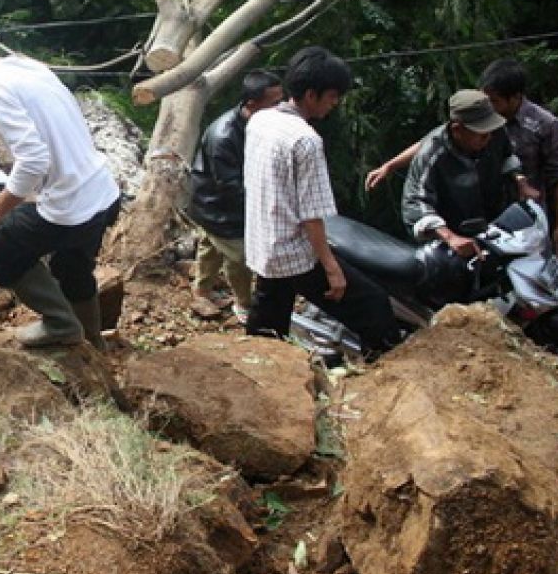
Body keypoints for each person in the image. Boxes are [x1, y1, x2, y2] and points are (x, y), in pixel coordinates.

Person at [0, 23, 121, 349]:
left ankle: (62, 325)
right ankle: (93, 341)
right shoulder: (26, 64)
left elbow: (34, 160)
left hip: (70, 208)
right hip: (103, 192)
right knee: (71, 266)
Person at [244, 46, 399, 354]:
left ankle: (255, 364)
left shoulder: (260, 121)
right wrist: (331, 268)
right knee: (372, 305)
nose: (335, 103)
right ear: (312, 95)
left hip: (264, 244)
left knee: (268, 320)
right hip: (294, 251)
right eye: (332, 96)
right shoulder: (306, 140)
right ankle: (384, 371)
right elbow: (311, 216)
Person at [187, 70, 283, 320]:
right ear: (252, 104)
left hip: (222, 200)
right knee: (239, 255)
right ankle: (244, 303)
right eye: (274, 103)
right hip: (216, 205)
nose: (280, 107)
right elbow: (231, 187)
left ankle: (201, 288)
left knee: (211, 246)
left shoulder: (258, 123)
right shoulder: (224, 136)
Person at [401, 89, 535, 257]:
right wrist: (450, 237)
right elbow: (415, 203)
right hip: (456, 240)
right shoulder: (431, 154)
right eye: (482, 135)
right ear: (457, 130)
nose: (489, 139)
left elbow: (507, 157)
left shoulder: (495, 133)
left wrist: (521, 183)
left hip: (499, 229)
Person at [480, 60, 558, 257]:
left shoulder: (545, 125)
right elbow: (443, 136)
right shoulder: (480, 119)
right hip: (486, 217)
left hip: (528, 222)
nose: (489, 106)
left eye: (494, 101)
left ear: (515, 97)